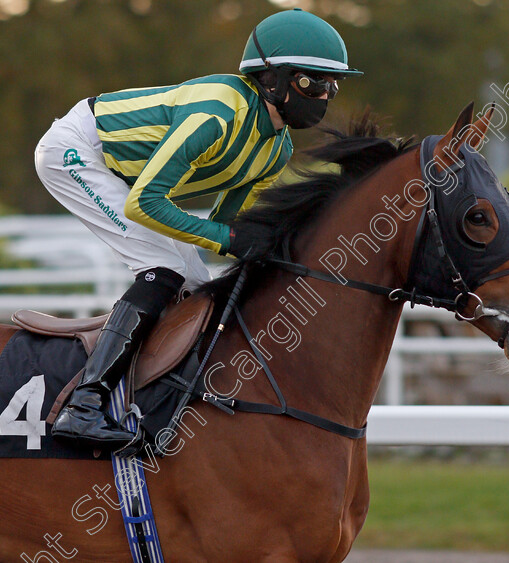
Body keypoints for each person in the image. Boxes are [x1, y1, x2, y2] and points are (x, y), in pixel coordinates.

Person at [36, 8, 362, 448]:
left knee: (194, 283)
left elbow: (226, 226)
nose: (325, 96)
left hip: (124, 175)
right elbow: (147, 203)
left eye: (331, 85)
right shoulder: (218, 111)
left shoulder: (276, 151)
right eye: (312, 82)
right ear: (272, 80)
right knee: (162, 269)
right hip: (76, 150)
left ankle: (148, 401)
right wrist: (231, 240)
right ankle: (83, 406)